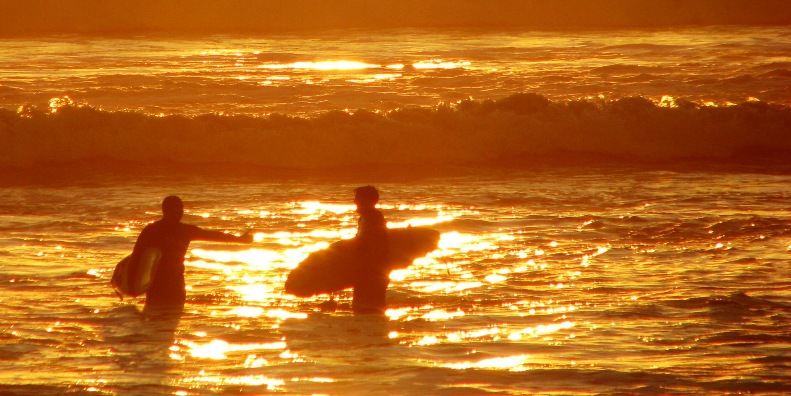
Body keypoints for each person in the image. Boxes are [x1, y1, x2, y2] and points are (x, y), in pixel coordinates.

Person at [130, 195, 253, 312]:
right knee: (157, 321)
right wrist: (131, 285)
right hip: (157, 285)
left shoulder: (183, 230)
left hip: (176, 285)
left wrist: (239, 239)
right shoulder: (153, 230)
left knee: (167, 323)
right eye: (177, 208)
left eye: (181, 208)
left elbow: (212, 235)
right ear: (166, 210)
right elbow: (136, 257)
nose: (180, 212)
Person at [351, 185, 390, 314]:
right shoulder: (365, 218)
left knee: (369, 311)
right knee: (366, 312)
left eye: (358, 198)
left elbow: (374, 247)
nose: (355, 201)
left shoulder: (373, 219)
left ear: (368, 201)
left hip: (372, 275)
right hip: (367, 273)